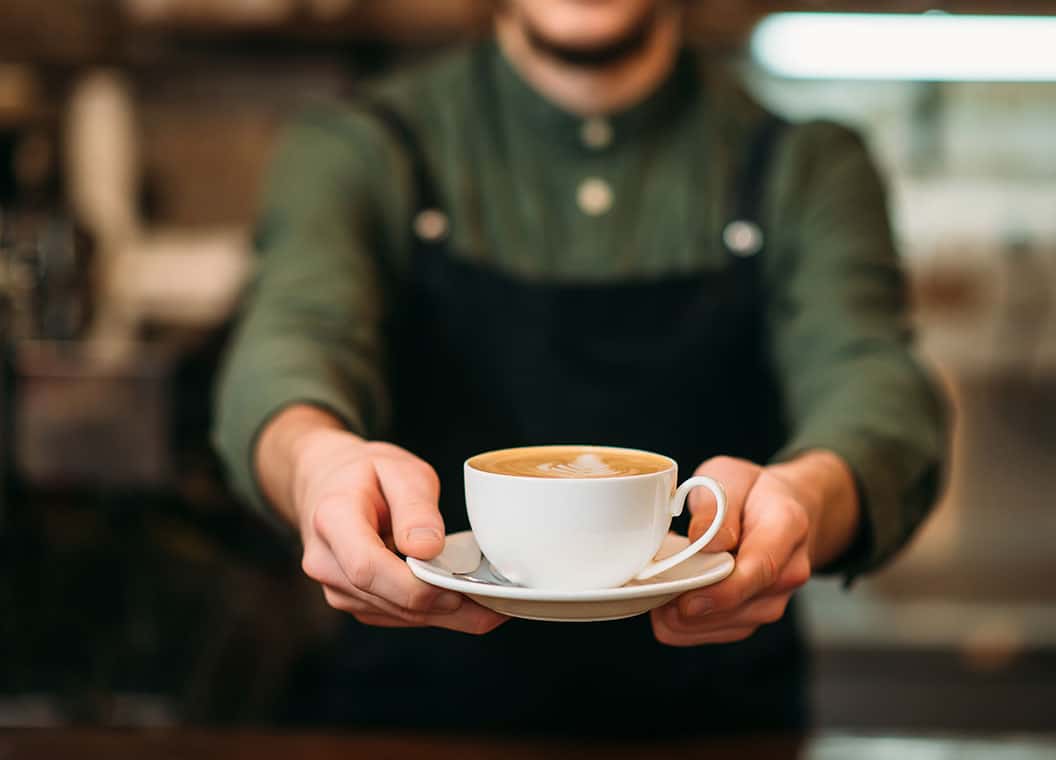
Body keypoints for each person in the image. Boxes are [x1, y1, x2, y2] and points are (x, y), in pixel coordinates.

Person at [214, 0, 947, 736]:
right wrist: (316, 464)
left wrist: (809, 498)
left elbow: (873, 384)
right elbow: (290, 341)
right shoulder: (358, 147)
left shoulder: (807, 161)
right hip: (420, 720)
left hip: (718, 723)